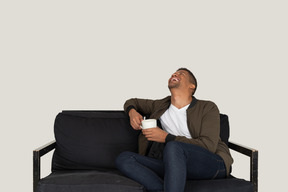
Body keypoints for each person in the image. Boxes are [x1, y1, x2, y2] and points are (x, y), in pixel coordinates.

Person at [115, 68, 233, 192]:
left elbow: (209, 146)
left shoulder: (207, 107)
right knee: (125, 158)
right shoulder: (161, 105)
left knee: (173, 146)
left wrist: (166, 137)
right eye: (173, 73)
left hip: (212, 163)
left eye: (181, 74)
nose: (174, 74)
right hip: (174, 164)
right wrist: (132, 112)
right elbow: (132, 102)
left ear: (192, 86)